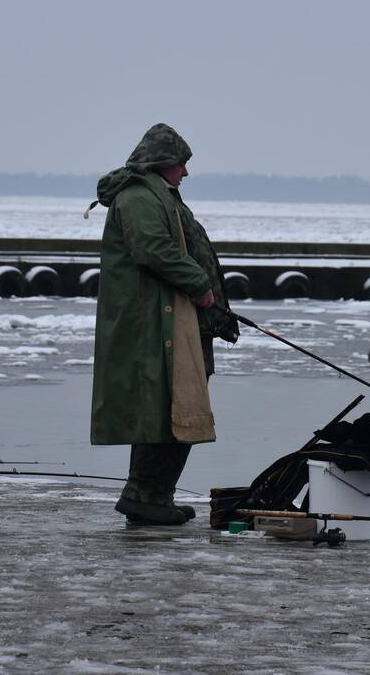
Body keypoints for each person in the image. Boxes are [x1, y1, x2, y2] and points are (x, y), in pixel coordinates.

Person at [88, 123, 238, 525]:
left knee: (173, 404)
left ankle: (151, 495)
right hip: (153, 322)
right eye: (182, 164)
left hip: (173, 318)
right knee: (164, 406)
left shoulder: (160, 195)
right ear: (162, 163)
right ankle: (147, 496)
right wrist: (198, 284)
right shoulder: (139, 198)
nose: (186, 173)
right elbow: (152, 249)